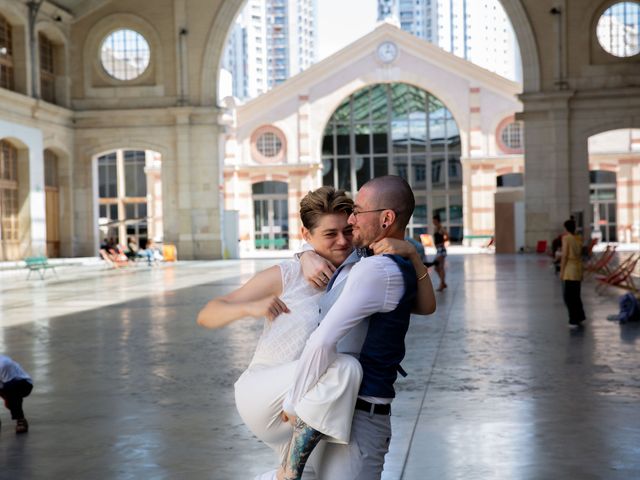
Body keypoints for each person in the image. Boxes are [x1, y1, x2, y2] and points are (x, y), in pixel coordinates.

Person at [197, 186, 435, 480]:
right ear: (306, 235)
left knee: (310, 475)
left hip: (316, 404)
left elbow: (423, 306)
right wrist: (251, 306)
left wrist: (411, 253)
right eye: (329, 234)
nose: (342, 241)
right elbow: (208, 314)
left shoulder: (362, 269)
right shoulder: (288, 274)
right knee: (345, 368)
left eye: (347, 231)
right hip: (268, 393)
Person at [279, 176, 435, 480]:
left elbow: (321, 342)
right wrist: (305, 255)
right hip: (336, 409)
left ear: (387, 218)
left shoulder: (379, 268)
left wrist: (293, 405)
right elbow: (329, 247)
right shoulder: (369, 256)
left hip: (357, 415)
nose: (351, 221)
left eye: (358, 211)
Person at [560, 219, 586, 327]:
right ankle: (580, 316)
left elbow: (565, 255)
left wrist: (561, 271)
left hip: (570, 270)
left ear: (566, 228)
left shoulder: (566, 238)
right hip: (578, 269)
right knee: (576, 295)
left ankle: (573, 319)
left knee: (568, 296)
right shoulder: (579, 238)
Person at [0, 355, 33, 434]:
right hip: (5, 385)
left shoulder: (4, 364)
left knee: (11, 387)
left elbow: (8, 386)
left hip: (22, 384)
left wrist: (7, 401)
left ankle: (20, 419)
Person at [432, 214, 449, 291]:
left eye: (434, 220)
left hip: (441, 249)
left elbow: (447, 235)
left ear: (437, 221)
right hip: (438, 249)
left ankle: (442, 284)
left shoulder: (441, 228)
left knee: (439, 267)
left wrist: (443, 242)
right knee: (437, 268)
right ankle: (443, 282)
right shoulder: (436, 228)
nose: (433, 222)